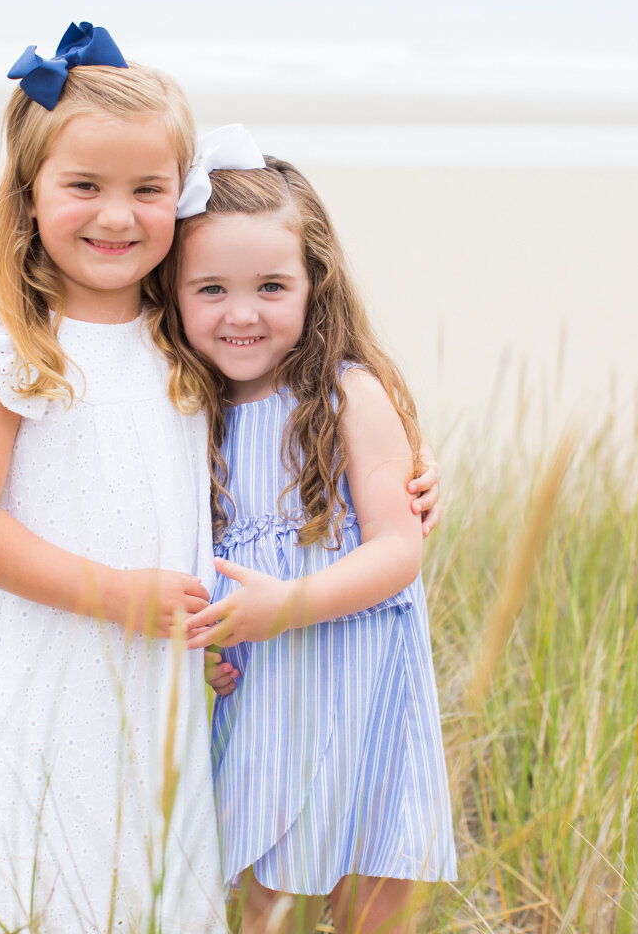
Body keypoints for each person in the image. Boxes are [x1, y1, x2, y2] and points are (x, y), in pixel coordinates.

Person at [0, 23, 228, 934]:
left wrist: (409, 469)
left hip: (159, 684)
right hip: (45, 683)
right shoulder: (10, 345)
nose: (117, 217)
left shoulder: (184, 337)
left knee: (149, 885)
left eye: (147, 190)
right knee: (47, 880)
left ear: (182, 193)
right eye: (85, 187)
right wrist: (112, 593)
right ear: (31, 192)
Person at [154, 130, 457, 934]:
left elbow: (398, 549)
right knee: (269, 903)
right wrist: (210, 642)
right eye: (211, 288)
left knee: (372, 900)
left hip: (363, 687)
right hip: (267, 699)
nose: (242, 313)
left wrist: (287, 605)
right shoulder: (190, 412)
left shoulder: (348, 396)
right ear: (173, 294)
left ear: (314, 283)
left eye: (271, 286)